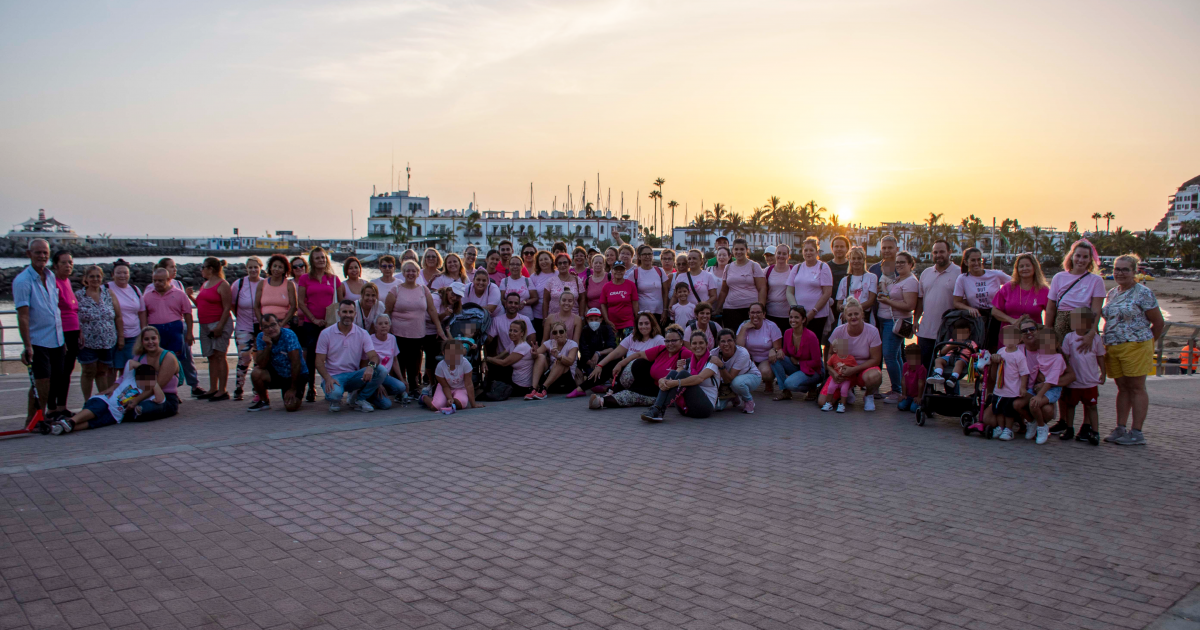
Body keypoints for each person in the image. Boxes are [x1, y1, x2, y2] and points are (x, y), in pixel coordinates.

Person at [1101, 254, 1164, 446]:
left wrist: (1147, 343)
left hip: (1136, 345)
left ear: (1134, 272)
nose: (1120, 273)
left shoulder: (1143, 293)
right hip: (1114, 346)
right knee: (1122, 388)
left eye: (1125, 269)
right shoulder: (1112, 293)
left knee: (1136, 388)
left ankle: (1136, 432)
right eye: (1117, 269)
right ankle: (1120, 427)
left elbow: (1158, 322)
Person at [14, 239, 65, 422]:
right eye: (37, 252)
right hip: (38, 340)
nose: (42, 256)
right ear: (29, 254)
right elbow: (23, 316)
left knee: (53, 381)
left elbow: (54, 308)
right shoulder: (22, 281)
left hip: (57, 339)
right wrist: (27, 346)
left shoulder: (51, 276)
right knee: (41, 381)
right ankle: (33, 418)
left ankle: (42, 416)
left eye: (45, 253)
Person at [589, 323, 690, 410]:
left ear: (681, 341)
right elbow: (638, 355)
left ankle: (601, 402)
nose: (670, 344)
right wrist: (620, 364)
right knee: (635, 363)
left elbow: (688, 372)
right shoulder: (662, 349)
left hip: (665, 392)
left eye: (674, 341)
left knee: (631, 395)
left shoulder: (685, 354)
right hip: (653, 385)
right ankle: (614, 392)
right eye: (667, 341)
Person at [47, 363, 164, 435]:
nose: (144, 380)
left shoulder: (147, 393)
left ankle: (62, 427)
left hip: (115, 416)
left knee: (94, 423)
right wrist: (144, 368)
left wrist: (154, 383)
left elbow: (160, 399)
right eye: (143, 377)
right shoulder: (130, 378)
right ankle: (71, 421)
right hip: (105, 400)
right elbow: (131, 363)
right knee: (97, 408)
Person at [385, 260, 445, 396]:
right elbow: (387, 311)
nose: (410, 273)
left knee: (414, 364)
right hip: (398, 333)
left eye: (413, 271)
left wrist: (439, 328)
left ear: (418, 273)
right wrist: (386, 331)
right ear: (403, 273)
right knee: (399, 362)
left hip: (417, 333)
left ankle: (413, 388)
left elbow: (431, 310)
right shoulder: (396, 289)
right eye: (408, 271)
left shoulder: (424, 289)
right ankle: (400, 388)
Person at [315, 300, 385, 413]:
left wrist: (370, 367)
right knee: (335, 395)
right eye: (344, 312)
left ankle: (359, 398)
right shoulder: (326, 333)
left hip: (354, 375)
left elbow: (374, 356)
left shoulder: (362, 333)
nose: (348, 315)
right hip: (334, 377)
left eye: (351, 312)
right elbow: (319, 361)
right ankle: (335, 399)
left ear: (355, 314)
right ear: (339, 313)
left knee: (381, 370)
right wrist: (327, 378)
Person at [296, 247, 344, 401]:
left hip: (329, 324)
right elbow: (301, 302)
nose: (321, 260)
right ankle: (311, 387)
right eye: (317, 258)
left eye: (323, 257)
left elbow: (341, 301)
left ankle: (331, 385)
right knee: (311, 357)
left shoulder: (333, 278)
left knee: (331, 356)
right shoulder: (305, 279)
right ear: (312, 261)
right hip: (311, 323)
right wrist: (313, 319)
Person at [639, 331, 720, 422]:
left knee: (683, 374)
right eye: (694, 343)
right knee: (674, 373)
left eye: (701, 343)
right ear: (690, 345)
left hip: (704, 408)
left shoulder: (712, 361)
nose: (698, 346)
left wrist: (675, 383)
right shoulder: (688, 362)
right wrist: (662, 380)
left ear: (706, 344)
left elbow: (699, 378)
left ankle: (660, 409)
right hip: (685, 408)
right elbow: (674, 374)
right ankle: (657, 408)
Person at [1054, 307, 1105, 444]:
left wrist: (1104, 373)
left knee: (1092, 406)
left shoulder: (1095, 339)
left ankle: (1094, 432)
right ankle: (1069, 428)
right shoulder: (1069, 337)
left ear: (1089, 323)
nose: (1074, 322)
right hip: (1074, 381)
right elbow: (1065, 356)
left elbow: (1100, 356)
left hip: (1090, 381)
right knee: (1070, 405)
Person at [582, 312, 664, 398]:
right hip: (626, 375)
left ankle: (611, 391)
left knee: (639, 362)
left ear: (652, 324)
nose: (643, 326)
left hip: (645, 377)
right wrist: (599, 365)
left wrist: (621, 363)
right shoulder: (632, 337)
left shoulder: (659, 340)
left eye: (646, 323)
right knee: (609, 361)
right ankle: (582, 388)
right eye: (640, 324)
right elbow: (616, 352)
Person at [875, 251, 920, 403]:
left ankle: (897, 391)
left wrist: (888, 302)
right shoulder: (899, 279)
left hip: (897, 323)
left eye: (903, 262)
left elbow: (909, 306)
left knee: (889, 356)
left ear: (910, 265)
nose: (899, 265)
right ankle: (900, 388)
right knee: (897, 356)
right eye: (898, 262)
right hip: (888, 321)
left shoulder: (911, 282)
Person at [826, 298, 884, 411]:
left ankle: (868, 395)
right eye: (850, 314)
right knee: (823, 402)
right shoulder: (839, 331)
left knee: (875, 376)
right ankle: (847, 390)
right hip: (843, 371)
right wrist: (833, 372)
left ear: (862, 314)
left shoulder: (872, 331)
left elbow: (876, 359)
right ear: (844, 317)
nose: (853, 317)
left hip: (864, 370)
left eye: (856, 314)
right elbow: (830, 354)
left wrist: (855, 369)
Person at [139, 268, 193, 389]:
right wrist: (143, 333)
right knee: (156, 361)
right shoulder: (147, 296)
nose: (157, 283)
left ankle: (173, 390)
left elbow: (188, 314)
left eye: (160, 280)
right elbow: (143, 315)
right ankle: (159, 389)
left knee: (174, 361)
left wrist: (189, 333)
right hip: (156, 332)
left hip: (174, 330)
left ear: (169, 280)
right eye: (154, 280)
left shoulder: (179, 294)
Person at [1046, 239, 1106, 343]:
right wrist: (1048, 330)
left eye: (1085, 257)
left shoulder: (1096, 280)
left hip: (1084, 323)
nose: (1081, 260)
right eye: (1078, 256)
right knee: (1062, 357)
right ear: (1072, 256)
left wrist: (1092, 332)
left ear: (1090, 260)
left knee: (1082, 357)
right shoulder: (1059, 277)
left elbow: (1096, 311)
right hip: (1061, 322)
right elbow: (1051, 307)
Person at [1022, 327, 1075, 444]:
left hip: (1052, 390)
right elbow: (1037, 372)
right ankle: (1032, 423)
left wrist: (1039, 395)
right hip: (1037, 388)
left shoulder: (1058, 358)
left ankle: (1042, 427)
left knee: (1034, 404)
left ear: (1056, 343)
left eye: (1050, 341)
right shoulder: (1040, 354)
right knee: (1017, 404)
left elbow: (1051, 380)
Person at [75, 265, 121, 400]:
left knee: (102, 372)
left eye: (98, 276)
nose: (95, 279)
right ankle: (87, 401)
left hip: (108, 341)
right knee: (88, 372)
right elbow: (73, 316)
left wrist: (121, 336)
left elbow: (118, 316)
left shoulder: (108, 293)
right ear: (86, 279)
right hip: (87, 341)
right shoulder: (79, 295)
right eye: (92, 276)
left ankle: (104, 401)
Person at [953, 247, 1011, 351]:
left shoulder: (995, 275)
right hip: (978, 318)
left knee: (997, 349)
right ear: (966, 262)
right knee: (980, 349)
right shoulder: (962, 278)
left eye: (979, 260)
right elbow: (956, 302)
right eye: (973, 260)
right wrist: (968, 308)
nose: (976, 263)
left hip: (996, 316)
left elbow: (1016, 284)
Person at [915, 239, 961, 370]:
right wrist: (915, 320)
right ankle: (926, 391)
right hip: (926, 332)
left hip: (949, 334)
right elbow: (920, 300)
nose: (938, 255)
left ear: (949, 252)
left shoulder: (959, 273)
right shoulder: (925, 273)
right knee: (925, 370)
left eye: (942, 251)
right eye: (935, 252)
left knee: (949, 371)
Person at [158, 257, 201, 394]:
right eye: (171, 267)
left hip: (179, 326)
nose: (175, 269)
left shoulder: (178, 285)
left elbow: (187, 310)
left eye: (175, 266)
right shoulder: (154, 286)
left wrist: (189, 331)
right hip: (162, 329)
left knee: (187, 357)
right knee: (166, 360)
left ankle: (194, 385)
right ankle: (170, 389)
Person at [247, 313, 306, 412]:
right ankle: (264, 401)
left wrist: (293, 388)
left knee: (291, 407)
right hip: (278, 373)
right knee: (256, 373)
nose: (270, 329)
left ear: (279, 324)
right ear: (262, 329)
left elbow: (296, 363)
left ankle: (294, 392)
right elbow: (261, 364)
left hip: (296, 375)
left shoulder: (289, 335)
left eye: (273, 325)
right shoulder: (261, 337)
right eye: (266, 327)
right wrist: (268, 346)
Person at [980, 325, 1028, 440]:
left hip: (1011, 390)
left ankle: (1009, 430)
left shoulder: (1019, 356)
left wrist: (1022, 387)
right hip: (999, 389)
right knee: (999, 411)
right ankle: (1000, 428)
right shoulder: (1001, 351)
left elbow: (1024, 373)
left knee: (1008, 412)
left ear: (1018, 339)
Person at [195, 258, 233, 401]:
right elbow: (200, 303)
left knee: (220, 355)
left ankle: (222, 390)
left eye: (203, 267)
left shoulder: (223, 285)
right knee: (211, 357)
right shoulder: (205, 284)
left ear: (210, 269)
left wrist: (220, 327)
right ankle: (213, 388)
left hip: (218, 324)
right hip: (205, 325)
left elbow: (227, 307)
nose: (201, 270)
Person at [127, 326, 182, 421]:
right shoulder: (139, 357)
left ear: (158, 339)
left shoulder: (168, 357)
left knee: (141, 409)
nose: (150, 342)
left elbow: (158, 385)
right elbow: (125, 378)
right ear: (142, 341)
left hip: (166, 398)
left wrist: (136, 401)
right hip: (142, 395)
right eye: (146, 339)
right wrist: (111, 390)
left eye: (153, 338)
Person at [771, 305, 823, 400]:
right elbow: (785, 353)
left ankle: (812, 387)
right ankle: (785, 392)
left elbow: (817, 362)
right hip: (798, 367)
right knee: (774, 359)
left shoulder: (811, 336)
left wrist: (799, 362)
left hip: (812, 371)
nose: (792, 320)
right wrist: (777, 351)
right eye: (791, 317)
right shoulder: (787, 333)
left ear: (803, 320)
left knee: (790, 383)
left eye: (796, 317)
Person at [715, 238, 767, 333]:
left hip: (750, 310)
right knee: (733, 338)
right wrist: (718, 308)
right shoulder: (728, 267)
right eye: (736, 249)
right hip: (730, 309)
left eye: (742, 249)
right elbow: (724, 291)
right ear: (733, 251)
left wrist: (761, 308)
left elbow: (762, 288)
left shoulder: (754, 266)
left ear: (747, 250)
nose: (739, 252)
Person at [50, 251, 79, 416]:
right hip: (62, 333)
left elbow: (74, 310)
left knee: (67, 371)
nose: (68, 266)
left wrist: (79, 332)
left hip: (74, 331)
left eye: (70, 262)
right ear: (55, 265)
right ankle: (52, 408)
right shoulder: (53, 283)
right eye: (64, 263)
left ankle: (62, 406)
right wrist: (62, 337)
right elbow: (54, 312)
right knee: (58, 372)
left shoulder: (66, 281)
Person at [786, 237, 832, 341]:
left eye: (811, 250)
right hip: (798, 317)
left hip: (817, 316)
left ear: (817, 251)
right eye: (805, 250)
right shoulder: (797, 268)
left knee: (814, 343)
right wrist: (795, 309)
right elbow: (789, 291)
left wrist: (813, 312)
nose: (808, 253)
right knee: (799, 343)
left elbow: (827, 293)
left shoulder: (823, 267)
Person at [230, 256, 263, 401]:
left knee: (259, 360)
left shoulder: (265, 283)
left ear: (260, 268)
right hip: (243, 326)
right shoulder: (239, 284)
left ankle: (258, 389)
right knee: (244, 357)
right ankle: (239, 387)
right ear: (246, 269)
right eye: (250, 267)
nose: (253, 270)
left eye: (256, 267)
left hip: (261, 327)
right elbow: (232, 304)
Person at [991, 252, 1049, 329]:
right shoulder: (1007, 288)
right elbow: (994, 311)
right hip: (1010, 336)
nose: (1024, 268)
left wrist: (1045, 329)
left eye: (1028, 266)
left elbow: (1050, 313)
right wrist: (1012, 320)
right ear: (1017, 269)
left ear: (1034, 268)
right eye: (1021, 266)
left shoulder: (1044, 290)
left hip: (1033, 336)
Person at [423, 339, 483, 412]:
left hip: (460, 388)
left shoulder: (465, 364)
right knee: (436, 406)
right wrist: (449, 398)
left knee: (460, 404)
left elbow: (469, 384)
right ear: (443, 353)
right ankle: (424, 397)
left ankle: (449, 400)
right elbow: (445, 386)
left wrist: (473, 404)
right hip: (445, 388)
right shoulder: (440, 366)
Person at [736, 303, 782, 398]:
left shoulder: (771, 326)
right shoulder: (743, 325)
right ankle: (748, 384)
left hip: (766, 358)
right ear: (749, 314)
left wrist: (773, 350)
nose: (755, 315)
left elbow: (778, 347)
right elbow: (739, 347)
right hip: (749, 358)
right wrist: (744, 329)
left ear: (764, 314)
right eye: (752, 312)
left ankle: (768, 382)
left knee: (766, 372)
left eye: (758, 312)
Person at [712, 328, 762, 413]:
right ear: (718, 343)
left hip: (751, 376)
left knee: (737, 383)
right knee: (717, 407)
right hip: (729, 382)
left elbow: (729, 378)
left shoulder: (743, 353)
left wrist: (721, 365)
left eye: (729, 341)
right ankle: (732, 396)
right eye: (723, 341)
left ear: (734, 341)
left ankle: (748, 400)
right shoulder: (714, 353)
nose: (726, 344)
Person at [525, 321, 580, 400]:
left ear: (566, 333)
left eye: (561, 332)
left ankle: (543, 388)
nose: (558, 335)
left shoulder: (572, 344)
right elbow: (536, 355)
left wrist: (559, 356)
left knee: (560, 361)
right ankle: (533, 388)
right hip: (552, 379)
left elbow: (570, 361)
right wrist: (534, 353)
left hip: (567, 381)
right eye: (555, 332)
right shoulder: (549, 343)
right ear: (552, 335)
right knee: (540, 357)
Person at [107, 260, 142, 377]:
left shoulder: (135, 289)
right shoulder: (106, 289)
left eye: (125, 273)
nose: (122, 275)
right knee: (111, 369)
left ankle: (125, 394)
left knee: (128, 370)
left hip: (133, 336)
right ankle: (110, 394)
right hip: (113, 337)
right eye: (119, 273)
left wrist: (144, 333)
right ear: (112, 274)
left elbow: (142, 312)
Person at [570, 308, 616, 397]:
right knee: (584, 378)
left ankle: (602, 385)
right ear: (587, 320)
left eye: (596, 319)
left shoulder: (607, 329)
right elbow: (583, 350)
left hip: (605, 361)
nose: (593, 322)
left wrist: (598, 353)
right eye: (591, 320)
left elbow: (612, 348)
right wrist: (589, 362)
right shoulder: (584, 331)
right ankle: (597, 386)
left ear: (601, 319)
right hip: (588, 363)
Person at [485, 319, 536, 398]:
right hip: (514, 379)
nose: (512, 333)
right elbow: (500, 356)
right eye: (510, 330)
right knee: (493, 365)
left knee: (498, 367)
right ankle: (486, 388)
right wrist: (486, 361)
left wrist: (487, 359)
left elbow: (504, 362)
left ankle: (487, 389)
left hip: (521, 386)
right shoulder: (513, 343)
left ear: (522, 333)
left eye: (515, 331)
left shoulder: (522, 347)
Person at [925, 319, 978, 394]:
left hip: (962, 359)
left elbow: (975, 354)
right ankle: (937, 374)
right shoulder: (951, 340)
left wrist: (971, 348)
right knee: (938, 360)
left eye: (964, 333)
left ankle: (953, 378)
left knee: (959, 363)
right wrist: (952, 345)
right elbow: (943, 352)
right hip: (948, 358)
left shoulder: (971, 342)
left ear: (969, 333)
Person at [367, 314, 407, 407]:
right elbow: (366, 363)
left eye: (386, 323)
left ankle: (376, 393)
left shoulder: (392, 338)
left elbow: (395, 361)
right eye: (380, 324)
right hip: (372, 376)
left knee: (401, 387)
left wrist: (402, 379)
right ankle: (369, 394)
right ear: (375, 327)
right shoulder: (370, 339)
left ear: (389, 325)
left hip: (385, 376)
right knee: (386, 405)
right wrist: (378, 384)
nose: (383, 326)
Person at [835, 247, 878, 327]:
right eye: (853, 258)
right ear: (850, 260)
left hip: (865, 319)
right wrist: (843, 308)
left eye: (859, 258)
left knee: (865, 339)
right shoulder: (844, 280)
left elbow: (871, 301)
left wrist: (852, 312)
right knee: (842, 339)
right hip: (846, 320)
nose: (856, 261)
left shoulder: (872, 277)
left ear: (863, 260)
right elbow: (838, 304)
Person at [819, 337, 857, 413]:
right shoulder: (834, 357)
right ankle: (828, 403)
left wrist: (849, 372)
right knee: (830, 388)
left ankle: (842, 405)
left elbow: (855, 368)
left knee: (844, 390)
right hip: (835, 378)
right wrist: (834, 373)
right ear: (836, 350)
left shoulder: (851, 358)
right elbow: (828, 365)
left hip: (846, 379)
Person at [632, 245, 669, 322]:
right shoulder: (634, 273)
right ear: (639, 257)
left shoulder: (660, 271)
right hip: (643, 314)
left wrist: (665, 310)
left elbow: (665, 292)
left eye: (649, 254)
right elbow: (632, 297)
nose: (647, 257)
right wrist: (637, 314)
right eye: (644, 254)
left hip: (659, 312)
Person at [600, 261, 637, 336]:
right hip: (612, 323)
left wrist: (637, 320)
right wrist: (607, 320)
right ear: (612, 270)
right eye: (616, 269)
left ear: (625, 271)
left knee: (628, 345)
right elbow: (603, 304)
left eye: (621, 269)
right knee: (613, 346)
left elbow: (635, 304)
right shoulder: (606, 286)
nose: (619, 271)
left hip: (628, 323)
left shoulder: (631, 285)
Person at [869, 235, 899, 326]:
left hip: (897, 317)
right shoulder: (873, 269)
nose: (886, 250)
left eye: (890, 248)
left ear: (897, 249)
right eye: (884, 248)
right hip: (876, 316)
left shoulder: (902, 269)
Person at [543, 253, 584, 320]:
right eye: (560, 263)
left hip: (573, 319)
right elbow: (545, 301)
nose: (562, 265)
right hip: (554, 319)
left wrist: (581, 317)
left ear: (569, 264)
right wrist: (545, 318)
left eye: (565, 263)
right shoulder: (551, 281)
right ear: (556, 265)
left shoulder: (577, 280)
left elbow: (582, 299)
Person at [763, 243, 792, 331]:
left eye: (784, 254)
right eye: (779, 253)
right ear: (776, 254)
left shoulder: (793, 270)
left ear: (788, 256)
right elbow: (762, 290)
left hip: (788, 315)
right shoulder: (768, 270)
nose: (781, 256)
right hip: (770, 313)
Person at [498, 256, 537, 321]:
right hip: (510, 317)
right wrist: (511, 305)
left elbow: (535, 298)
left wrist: (524, 302)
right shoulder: (504, 281)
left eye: (517, 264)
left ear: (522, 266)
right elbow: (501, 299)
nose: (515, 266)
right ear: (509, 266)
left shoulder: (527, 281)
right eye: (512, 264)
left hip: (527, 317)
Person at [529, 250, 557, 336]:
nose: (543, 262)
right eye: (540, 260)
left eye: (546, 259)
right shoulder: (534, 276)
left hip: (556, 313)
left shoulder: (558, 274)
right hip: (538, 314)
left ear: (551, 260)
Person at [827, 235, 851, 321]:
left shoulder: (852, 266)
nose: (839, 249)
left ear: (847, 249)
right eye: (836, 246)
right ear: (832, 248)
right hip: (829, 307)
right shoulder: (826, 267)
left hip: (847, 308)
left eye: (842, 246)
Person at [897, 344, 927, 413]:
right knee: (900, 406)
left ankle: (919, 404)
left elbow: (921, 383)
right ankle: (909, 403)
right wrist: (904, 394)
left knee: (913, 409)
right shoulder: (905, 365)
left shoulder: (921, 368)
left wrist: (919, 397)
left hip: (917, 395)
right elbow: (903, 381)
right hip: (909, 395)